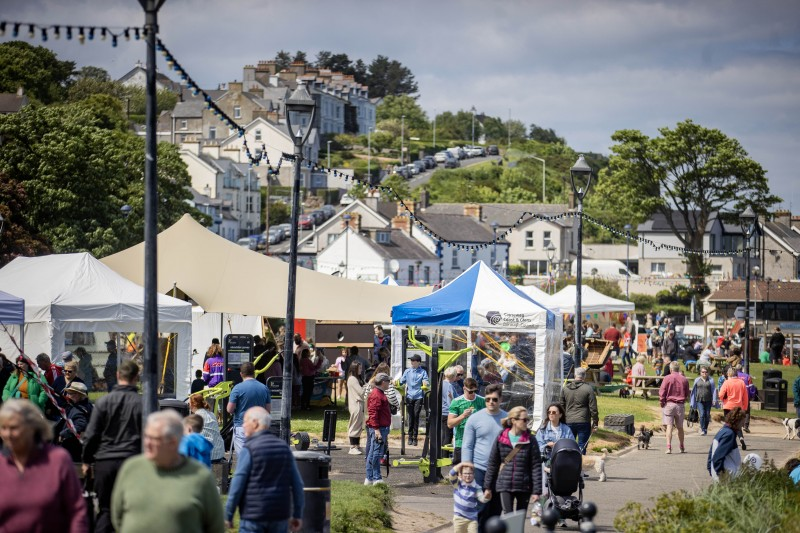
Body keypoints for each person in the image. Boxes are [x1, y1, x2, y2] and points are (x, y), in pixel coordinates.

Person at [112, 410, 224, 533]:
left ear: (173, 442)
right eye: (146, 436)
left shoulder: (201, 477)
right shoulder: (131, 468)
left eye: (154, 438)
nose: (147, 443)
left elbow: (215, 526)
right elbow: (117, 516)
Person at [0, 399, 88, 532]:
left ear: (32, 428)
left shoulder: (57, 460)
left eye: (14, 428)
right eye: (3, 428)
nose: (8, 434)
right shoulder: (1, 464)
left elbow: (77, 511)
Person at [82, 359, 142, 533]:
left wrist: (86, 461)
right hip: (133, 462)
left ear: (117, 376)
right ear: (136, 377)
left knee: (106, 511)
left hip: (105, 462)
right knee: (133, 511)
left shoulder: (102, 402)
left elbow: (92, 435)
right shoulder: (142, 404)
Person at [225, 407, 304, 532]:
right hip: (280, 515)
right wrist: (298, 514)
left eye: (245, 421)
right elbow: (297, 484)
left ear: (255, 423)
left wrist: (228, 514)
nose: (243, 425)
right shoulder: (284, 448)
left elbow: (237, 484)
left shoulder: (249, 449)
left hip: (253, 516)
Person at [484, 406, 542, 517]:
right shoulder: (501, 437)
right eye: (524, 420)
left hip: (524, 485)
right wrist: (488, 487)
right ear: (514, 420)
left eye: (527, 420)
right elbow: (493, 463)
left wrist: (537, 491)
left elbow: (536, 466)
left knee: (520, 518)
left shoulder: (530, 439)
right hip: (505, 484)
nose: (527, 423)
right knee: (508, 517)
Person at [462, 384, 506, 531]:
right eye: (487, 399)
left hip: (501, 471)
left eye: (494, 399)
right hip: (479, 469)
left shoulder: (508, 420)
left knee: (496, 509)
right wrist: (467, 468)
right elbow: (467, 446)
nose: (491, 402)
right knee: (481, 508)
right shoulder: (474, 419)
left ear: (501, 399)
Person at [226, 361, 271, 456]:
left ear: (241, 374)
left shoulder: (237, 388)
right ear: (254, 373)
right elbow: (267, 411)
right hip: (259, 427)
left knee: (244, 457)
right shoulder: (264, 388)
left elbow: (229, 409)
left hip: (242, 426)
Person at [560, 367, 598, 455]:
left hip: (568, 420)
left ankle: (569, 465)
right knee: (582, 446)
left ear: (575, 375)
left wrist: (562, 420)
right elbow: (593, 408)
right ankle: (580, 466)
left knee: (569, 446)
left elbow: (561, 406)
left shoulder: (565, 389)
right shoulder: (588, 389)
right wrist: (595, 422)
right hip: (583, 421)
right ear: (584, 376)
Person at [448, 377, 486, 465]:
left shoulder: (482, 401)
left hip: (478, 442)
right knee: (461, 472)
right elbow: (450, 424)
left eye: (475, 391)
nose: (473, 394)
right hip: (461, 442)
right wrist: (463, 416)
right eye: (470, 391)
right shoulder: (456, 402)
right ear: (464, 388)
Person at [365, 372, 393, 485]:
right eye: (388, 382)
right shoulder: (377, 395)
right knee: (376, 453)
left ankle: (370, 478)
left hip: (380, 427)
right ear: (383, 382)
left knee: (373, 453)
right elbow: (373, 413)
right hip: (379, 428)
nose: (389, 384)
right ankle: (376, 478)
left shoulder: (378, 393)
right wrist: (376, 430)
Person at [56, 381, 93, 461]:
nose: (68, 396)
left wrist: (64, 433)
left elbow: (81, 425)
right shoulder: (86, 406)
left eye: (70, 393)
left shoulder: (79, 409)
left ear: (78, 395)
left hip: (73, 448)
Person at [707, 407, 747, 481]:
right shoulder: (729, 434)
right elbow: (717, 457)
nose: (743, 425)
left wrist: (711, 470)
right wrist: (721, 474)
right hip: (727, 477)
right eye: (742, 422)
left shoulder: (723, 430)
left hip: (721, 475)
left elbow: (711, 453)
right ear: (737, 421)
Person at [659, 360, 689, 454]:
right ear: (678, 368)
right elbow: (687, 392)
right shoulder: (684, 379)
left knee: (669, 426)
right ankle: (681, 445)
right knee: (680, 427)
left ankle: (668, 447)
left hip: (669, 404)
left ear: (671, 369)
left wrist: (662, 402)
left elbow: (662, 391)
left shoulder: (667, 378)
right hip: (680, 404)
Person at [448, 461, 486, 533]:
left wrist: (487, 497)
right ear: (461, 475)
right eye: (465, 473)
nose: (468, 476)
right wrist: (461, 464)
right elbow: (451, 474)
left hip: (472, 519)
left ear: (473, 474)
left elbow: (482, 499)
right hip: (459, 518)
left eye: (470, 473)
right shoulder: (457, 484)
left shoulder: (476, 487)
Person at [400, 353, 429, 446]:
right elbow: (401, 381)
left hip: (418, 396)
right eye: (411, 360)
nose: (411, 362)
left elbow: (426, 381)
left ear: (418, 362)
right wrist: (396, 382)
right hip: (409, 396)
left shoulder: (423, 372)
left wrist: (425, 383)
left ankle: (415, 437)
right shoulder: (407, 371)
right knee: (410, 416)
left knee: (416, 415)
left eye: (413, 360)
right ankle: (410, 436)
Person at [188, 393, 225, 463]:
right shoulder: (211, 414)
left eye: (189, 403)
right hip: (219, 453)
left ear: (193, 404)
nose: (189, 405)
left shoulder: (196, 417)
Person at [718, 366, 749, 449]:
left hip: (728, 406)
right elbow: (745, 397)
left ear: (729, 374)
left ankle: (730, 441)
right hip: (738, 407)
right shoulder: (741, 383)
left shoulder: (727, 382)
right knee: (737, 425)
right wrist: (745, 408)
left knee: (729, 424)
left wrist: (722, 398)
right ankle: (741, 438)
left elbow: (720, 395)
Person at [690, 366, 718, 436]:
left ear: (708, 373)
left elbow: (714, 390)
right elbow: (694, 391)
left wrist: (714, 399)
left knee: (707, 415)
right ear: (700, 373)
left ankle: (705, 428)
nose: (704, 373)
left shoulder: (711, 380)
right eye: (703, 372)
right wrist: (692, 402)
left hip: (708, 400)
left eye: (706, 372)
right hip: (699, 400)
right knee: (702, 414)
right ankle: (702, 429)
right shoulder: (697, 380)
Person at [347, 362, 365, 455]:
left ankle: (357, 445)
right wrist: (368, 388)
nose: (361, 370)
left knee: (358, 426)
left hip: (359, 404)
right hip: (356, 405)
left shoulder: (355, 378)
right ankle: (352, 446)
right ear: (354, 369)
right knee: (354, 426)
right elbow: (361, 392)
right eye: (359, 368)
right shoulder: (353, 379)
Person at [441, 366, 458, 448]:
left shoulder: (440, 383)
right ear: (453, 376)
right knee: (448, 435)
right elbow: (450, 401)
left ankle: (440, 454)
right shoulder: (449, 386)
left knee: (442, 435)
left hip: (440, 411)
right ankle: (445, 455)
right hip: (447, 412)